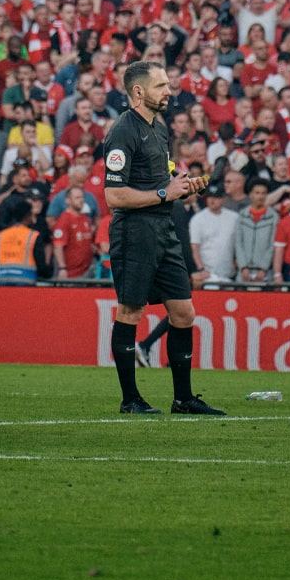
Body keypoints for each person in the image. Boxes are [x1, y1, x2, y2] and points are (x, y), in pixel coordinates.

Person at [100, 60, 222, 416]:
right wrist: (164, 194)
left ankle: (183, 399)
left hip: (163, 230)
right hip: (134, 233)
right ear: (138, 92)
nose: (169, 91)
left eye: (168, 85)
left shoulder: (159, 128)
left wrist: (183, 188)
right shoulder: (122, 131)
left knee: (184, 312)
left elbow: (161, 184)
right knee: (131, 310)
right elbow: (114, 196)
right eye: (161, 86)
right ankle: (130, 400)